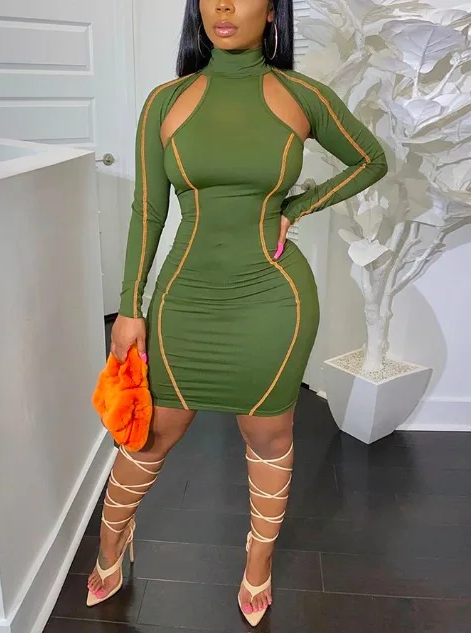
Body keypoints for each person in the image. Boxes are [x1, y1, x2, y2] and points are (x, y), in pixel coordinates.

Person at [87, 0, 387, 625]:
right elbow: (149, 210)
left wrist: (296, 208)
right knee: (151, 433)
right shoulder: (167, 101)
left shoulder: (302, 96)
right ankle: (112, 543)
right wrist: (129, 308)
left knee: (269, 434)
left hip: (272, 300)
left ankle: (258, 561)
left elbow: (371, 159)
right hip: (184, 297)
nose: (224, 6)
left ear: (273, 11)